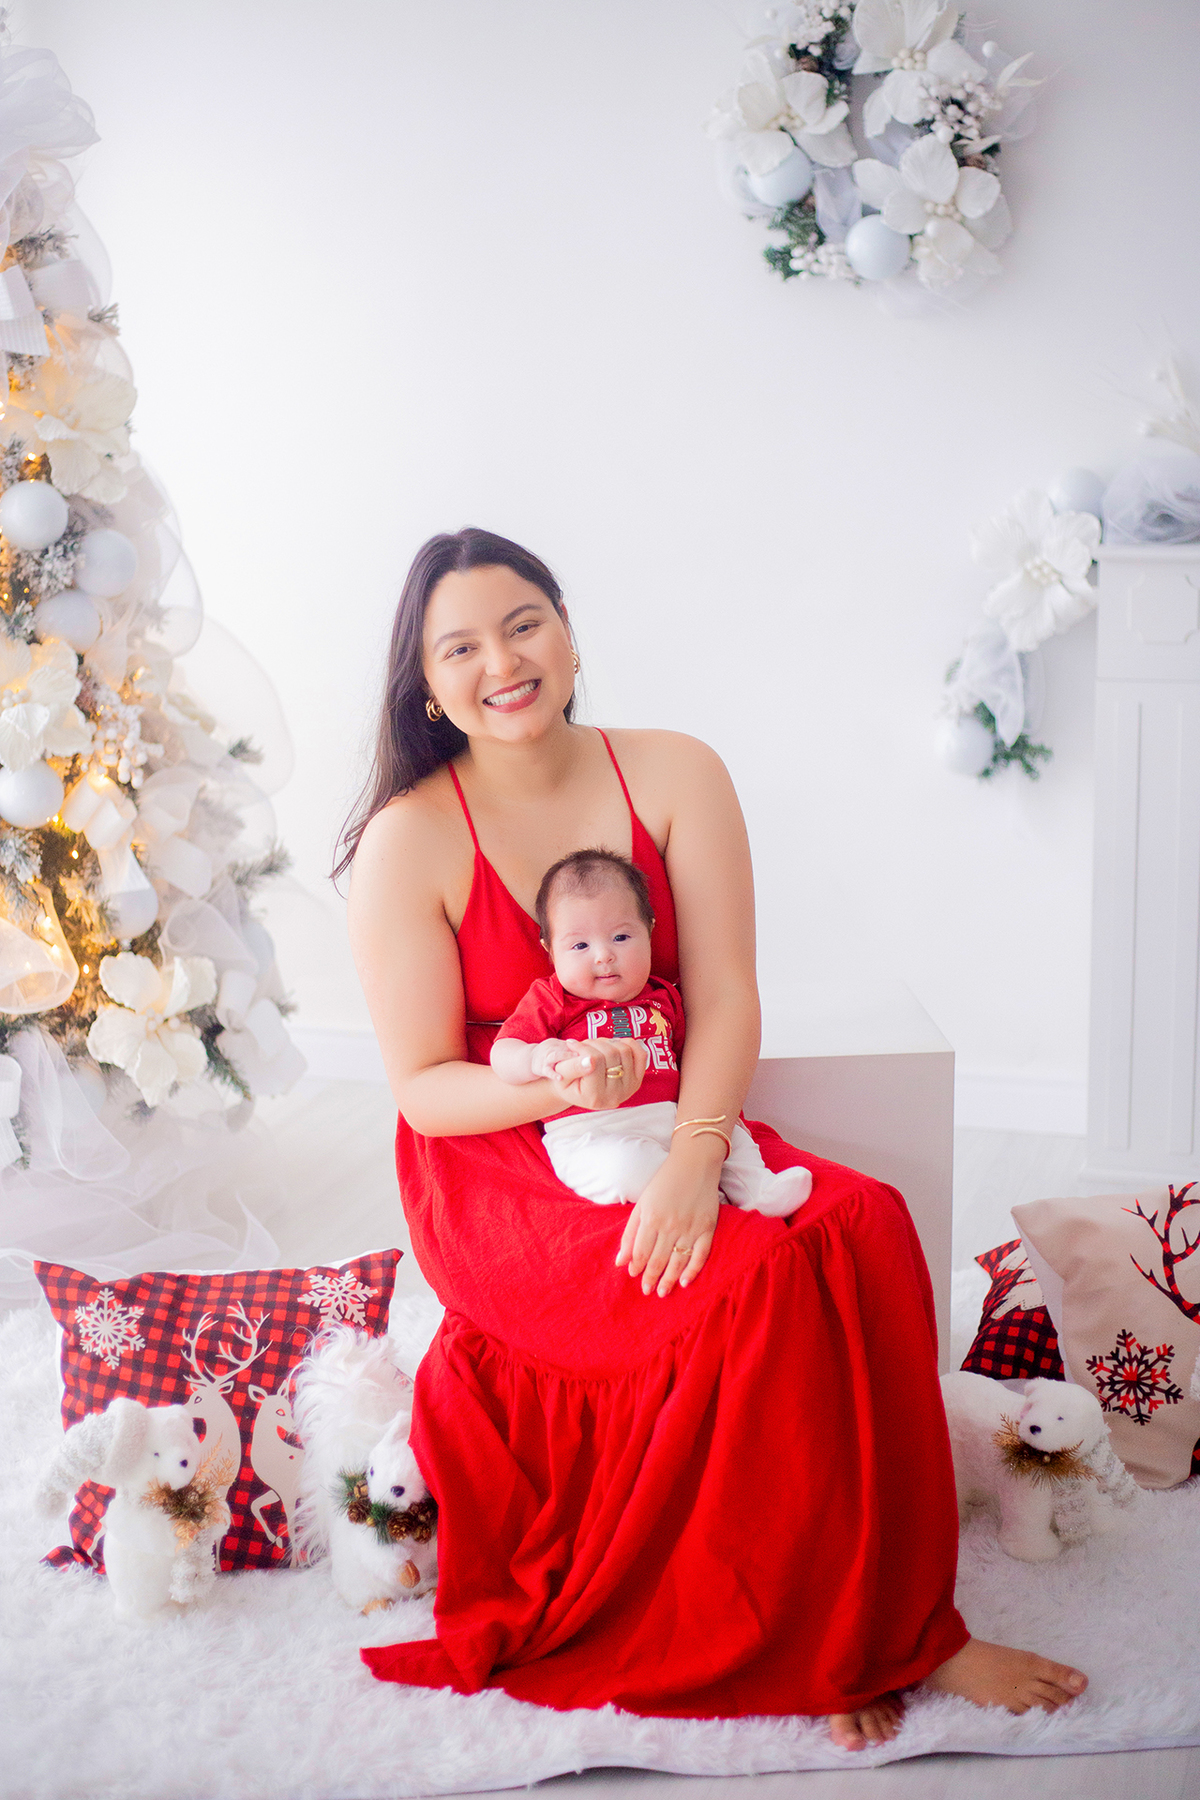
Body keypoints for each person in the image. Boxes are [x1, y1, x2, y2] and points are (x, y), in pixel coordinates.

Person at [342, 527, 1088, 1749]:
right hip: (504, 1162)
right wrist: (566, 1089)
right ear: (427, 688)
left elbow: (730, 994)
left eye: (524, 623)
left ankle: (897, 1611)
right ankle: (830, 1643)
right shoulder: (410, 838)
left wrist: (697, 1156)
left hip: (671, 1110)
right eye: (460, 647)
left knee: (863, 1221)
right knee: (754, 1280)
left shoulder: (676, 772)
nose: (503, 662)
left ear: (570, 633)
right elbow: (425, 1086)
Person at [491, 846, 811, 1217]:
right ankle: (707, 1200)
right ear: (550, 950)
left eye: (621, 938)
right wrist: (535, 1057)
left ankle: (756, 1187)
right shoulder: (552, 998)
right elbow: (502, 1054)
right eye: (580, 945)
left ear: (650, 930)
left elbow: (693, 1060)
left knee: (730, 1134)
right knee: (623, 1167)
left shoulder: (663, 997)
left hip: (673, 1119)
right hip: (594, 1132)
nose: (603, 956)